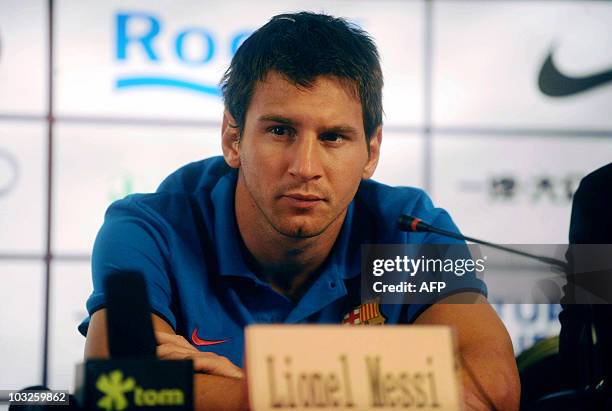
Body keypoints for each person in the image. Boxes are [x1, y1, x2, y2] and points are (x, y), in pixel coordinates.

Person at [80, 12, 519, 410]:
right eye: (279, 130)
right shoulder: (150, 230)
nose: (304, 168)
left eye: (333, 137)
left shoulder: (408, 234)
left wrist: (246, 392)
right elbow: (119, 387)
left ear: (371, 151)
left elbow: (488, 389)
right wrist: (397, 385)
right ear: (234, 139)